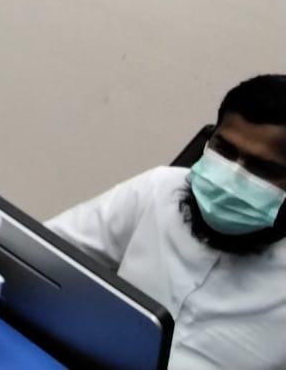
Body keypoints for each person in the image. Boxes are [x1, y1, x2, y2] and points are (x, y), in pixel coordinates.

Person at [48, 73, 286, 370]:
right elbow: (41, 256)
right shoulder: (160, 188)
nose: (231, 179)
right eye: (224, 151)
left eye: (262, 169)